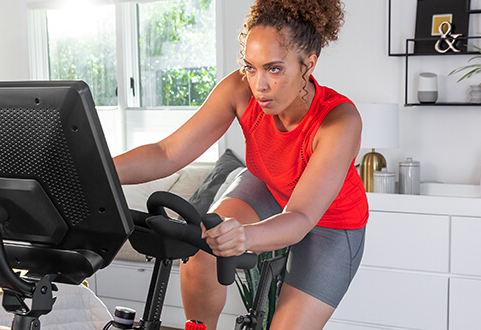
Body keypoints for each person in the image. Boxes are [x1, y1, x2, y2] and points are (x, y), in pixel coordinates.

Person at [112, 0, 366, 328]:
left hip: (331, 222)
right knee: (202, 250)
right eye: (251, 66)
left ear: (308, 64)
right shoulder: (239, 89)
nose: (259, 85)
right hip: (268, 185)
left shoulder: (339, 121)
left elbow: (301, 216)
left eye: (274, 68)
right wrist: (96, 172)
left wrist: (243, 237)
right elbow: (167, 152)